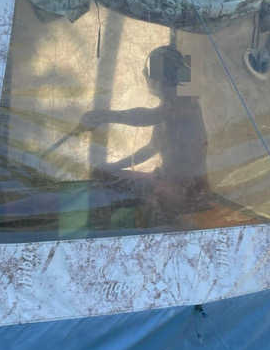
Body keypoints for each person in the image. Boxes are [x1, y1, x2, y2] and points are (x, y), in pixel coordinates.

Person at [79, 45, 210, 226]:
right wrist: (114, 166)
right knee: (102, 174)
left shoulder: (184, 104)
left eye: (148, 77)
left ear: (155, 80)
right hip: (168, 181)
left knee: (115, 187)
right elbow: (150, 149)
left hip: (186, 189)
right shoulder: (171, 107)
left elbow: (147, 117)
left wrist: (105, 115)